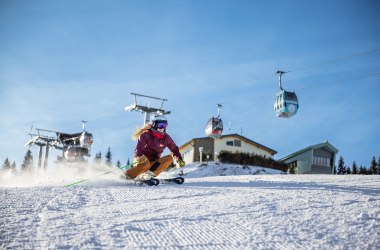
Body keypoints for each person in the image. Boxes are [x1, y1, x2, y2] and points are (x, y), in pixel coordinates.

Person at [125, 115, 185, 179]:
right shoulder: (145, 135)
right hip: (141, 159)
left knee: (169, 158)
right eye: (160, 125)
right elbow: (139, 148)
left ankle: (149, 174)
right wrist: (138, 157)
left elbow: (174, 149)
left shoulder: (166, 138)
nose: (162, 128)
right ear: (154, 124)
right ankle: (127, 175)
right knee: (146, 163)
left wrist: (179, 159)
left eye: (164, 126)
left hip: (153, 162)